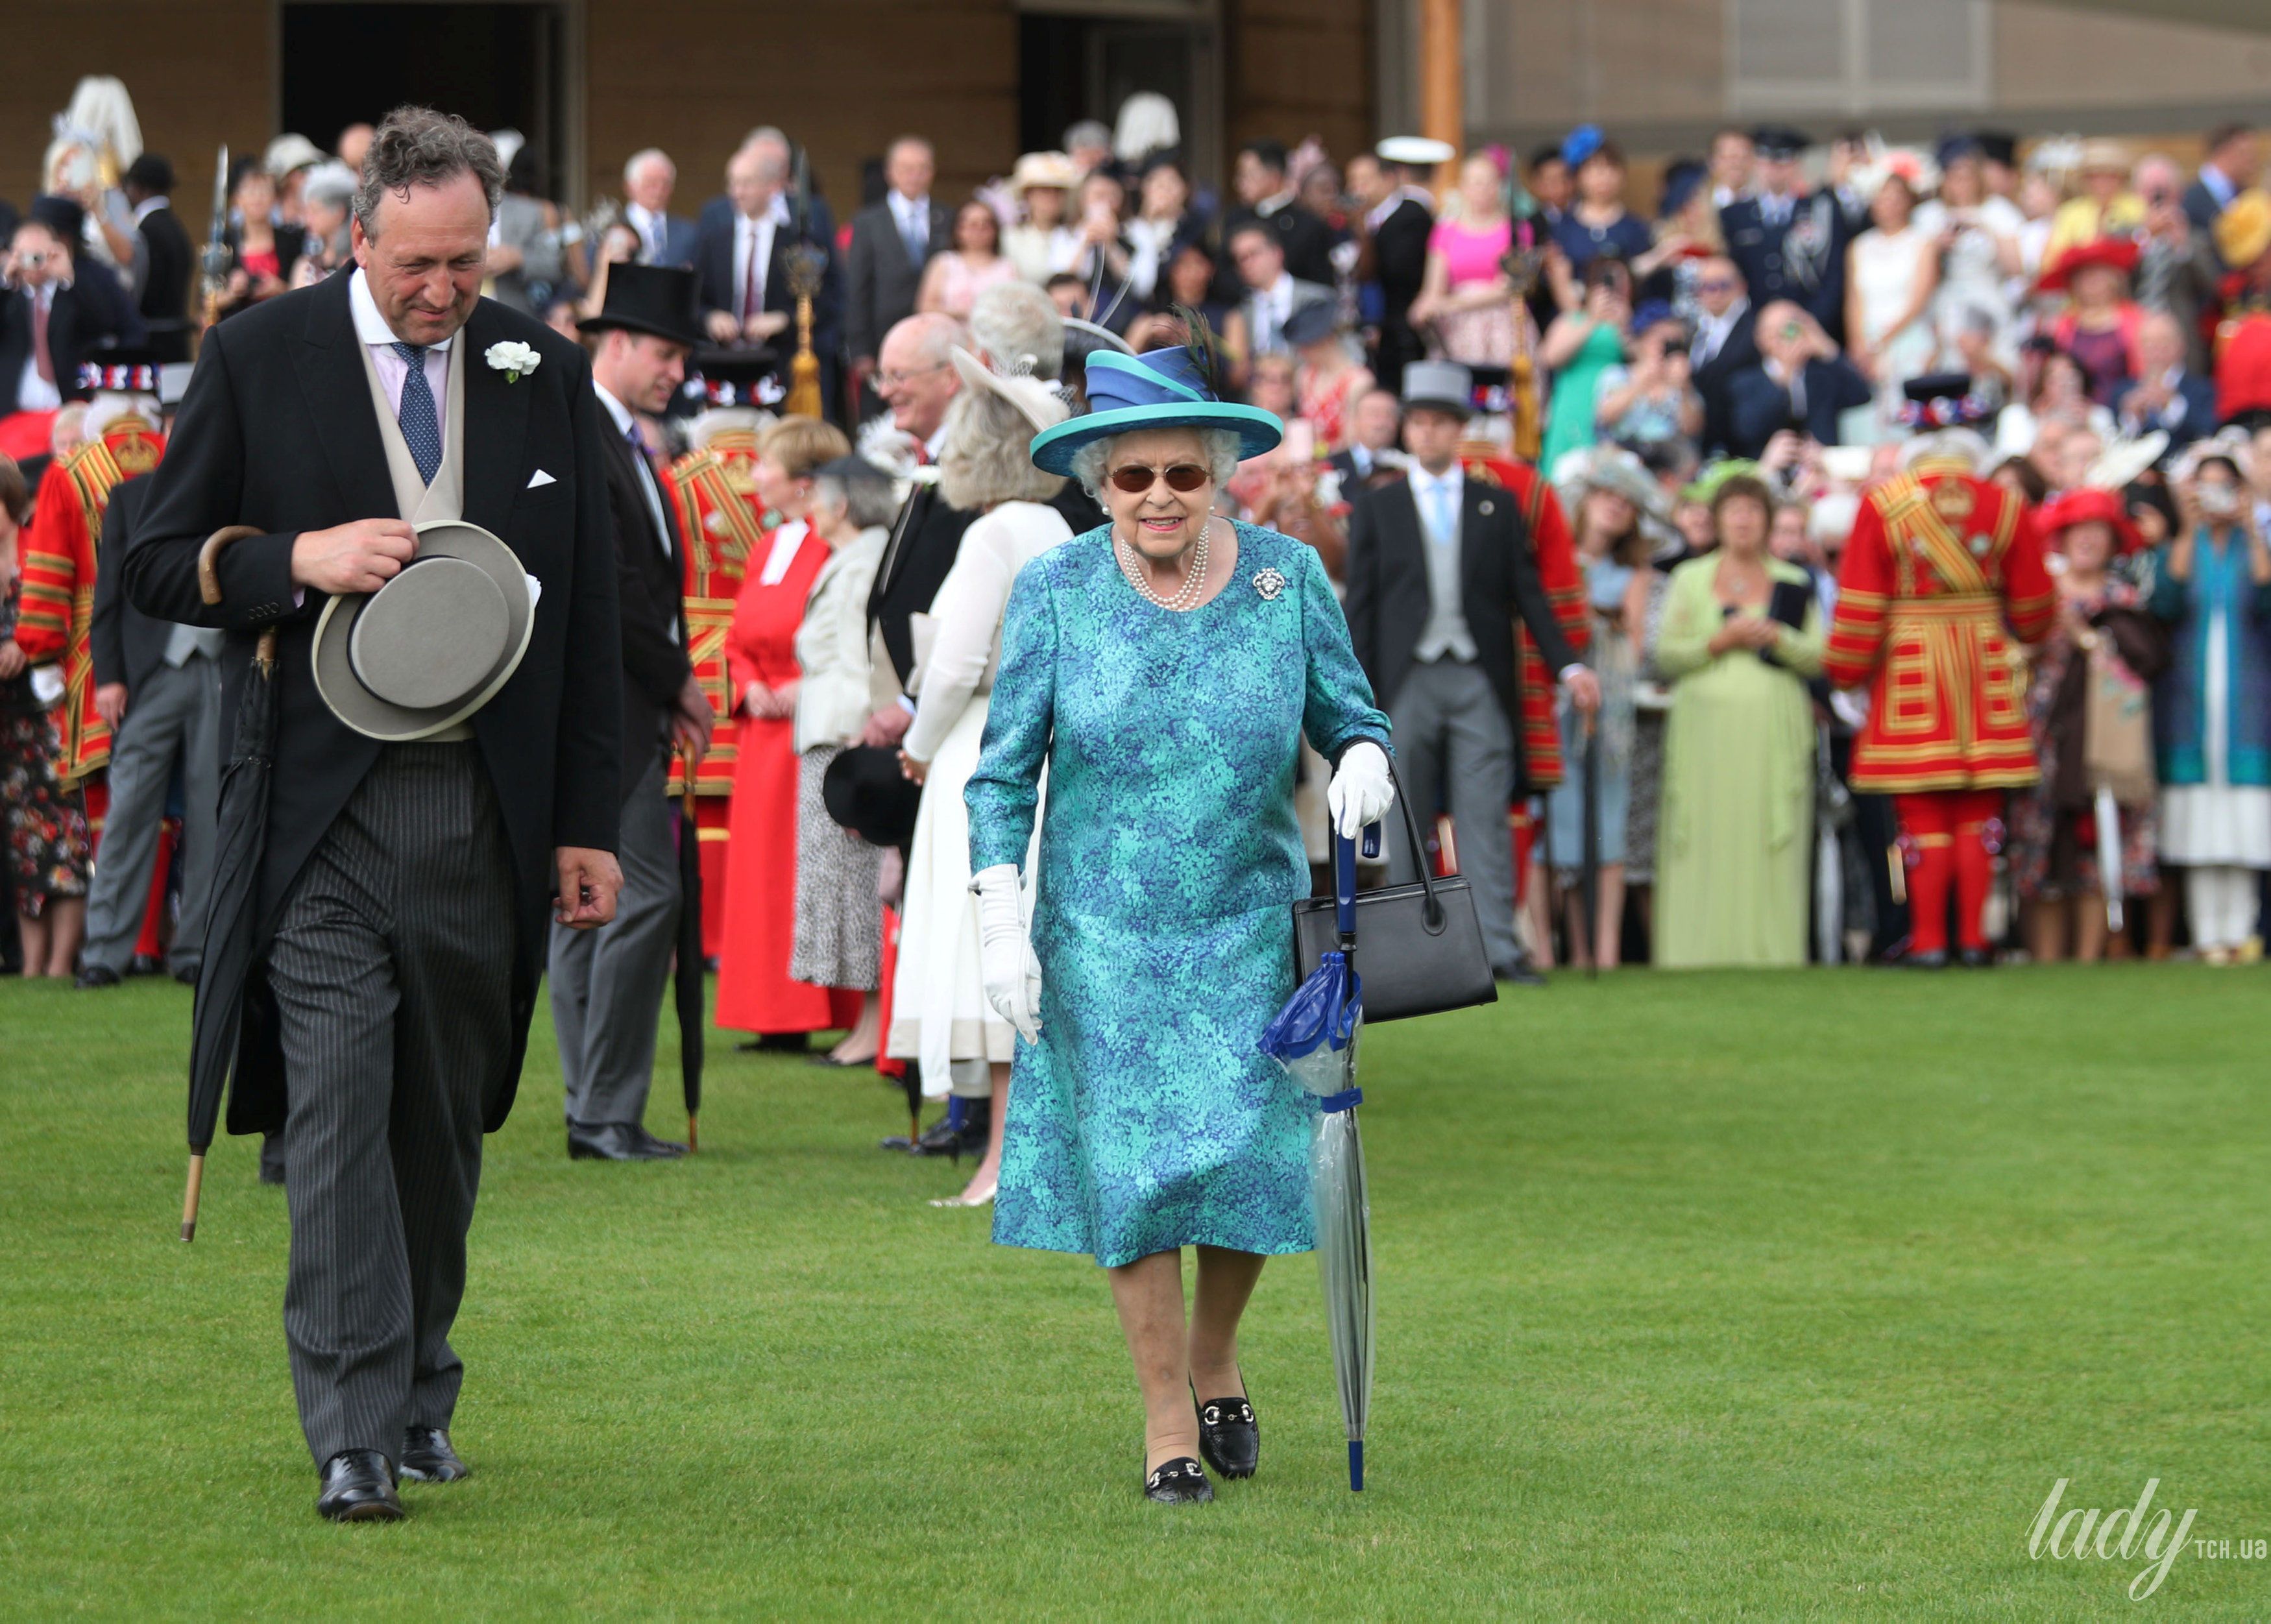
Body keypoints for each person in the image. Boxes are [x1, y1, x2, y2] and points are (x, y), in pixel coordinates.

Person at [121, 106, 625, 1521]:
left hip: (483, 805)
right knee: (339, 1105)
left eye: (468, 262)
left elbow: (586, 617)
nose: (445, 292)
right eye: (418, 264)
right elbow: (156, 561)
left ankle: (416, 1390)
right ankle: (348, 1427)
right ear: (357, 236)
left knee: (441, 1120)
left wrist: (588, 821)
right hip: (316, 807)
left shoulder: (543, 368)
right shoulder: (257, 354)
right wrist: (296, 557)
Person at [965, 331, 1394, 1505]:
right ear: (1100, 481)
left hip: (1248, 924)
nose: (1159, 497)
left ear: (1221, 475)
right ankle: (1166, 1412)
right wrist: (1000, 913)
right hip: (1100, 934)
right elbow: (1001, 774)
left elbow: (1355, 713)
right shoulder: (1055, 588)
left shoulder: (1285, 577)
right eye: (1133, 476)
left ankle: (1217, 1352)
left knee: (1250, 1162)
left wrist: (1362, 755)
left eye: (1183, 475)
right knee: (1138, 1172)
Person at [1345, 361, 1599, 980]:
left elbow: (1528, 594)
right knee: (1404, 821)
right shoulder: (1378, 507)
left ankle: (1497, 951)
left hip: (1479, 678)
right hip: (1404, 682)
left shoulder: (1498, 504)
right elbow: (1362, 608)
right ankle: (1412, 955)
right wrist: (1355, 695)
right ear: (1407, 430)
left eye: (1439, 423)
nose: (1428, 434)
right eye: (1419, 423)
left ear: (1459, 429)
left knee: (1485, 819)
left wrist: (1568, 667)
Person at [889, 346, 1071, 1203]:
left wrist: (919, 745)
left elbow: (956, 660)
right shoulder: (1058, 529)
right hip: (1041, 748)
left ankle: (1003, 1161)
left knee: (985, 947)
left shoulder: (996, 531)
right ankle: (1020, 1156)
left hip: (982, 743)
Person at [551, 264, 712, 1162]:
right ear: (615, 343)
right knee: (642, 894)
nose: (674, 370)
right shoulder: (590, 436)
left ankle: (593, 1103)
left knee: (588, 901)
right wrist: (679, 681)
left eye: (682, 355)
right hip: (608, 706)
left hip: (618, 703)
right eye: (664, 351)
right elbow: (611, 588)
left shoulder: (623, 441)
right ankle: (604, 1108)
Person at [1821, 381, 2056, 967]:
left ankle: (1927, 942)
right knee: (1979, 811)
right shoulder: (2003, 503)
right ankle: (1974, 939)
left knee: (1921, 812)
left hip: (1912, 666)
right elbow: (2033, 611)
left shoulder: (1884, 504)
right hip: (1982, 664)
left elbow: (1861, 605)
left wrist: (1846, 671)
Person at [714, 416, 862, 1047]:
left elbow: (844, 628)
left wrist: (803, 685)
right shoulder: (764, 546)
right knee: (760, 875)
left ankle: (814, 1010)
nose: (755, 476)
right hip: (762, 732)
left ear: (803, 482)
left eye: (766, 465)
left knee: (810, 869)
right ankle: (769, 1012)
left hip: (811, 723)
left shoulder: (836, 546)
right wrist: (747, 683)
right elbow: (740, 632)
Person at [75, 365, 219, 990]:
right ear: (165, 427)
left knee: (216, 818)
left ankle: (198, 952)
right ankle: (103, 952)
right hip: (151, 676)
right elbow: (107, 599)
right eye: (181, 421)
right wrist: (109, 677)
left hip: (222, 670)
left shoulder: (244, 494)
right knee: (130, 810)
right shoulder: (132, 498)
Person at [1651, 473, 1825, 966]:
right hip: (1704, 730)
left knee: (1769, 834)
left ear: (1768, 520)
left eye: (1753, 510)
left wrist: (1777, 638)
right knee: (1704, 832)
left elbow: (1818, 657)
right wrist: (1718, 642)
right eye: (1734, 510)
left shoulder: (1793, 580)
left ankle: (1772, 950)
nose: (1744, 519)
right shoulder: (1689, 577)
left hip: (1773, 728)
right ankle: (1694, 949)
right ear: (1718, 519)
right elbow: (1665, 655)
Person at [2011, 488, 2167, 962]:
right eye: (2079, 529)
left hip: (2103, 736)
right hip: (2042, 732)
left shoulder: (2125, 599)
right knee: (2039, 844)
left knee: (2096, 845)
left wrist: (2091, 639)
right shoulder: (2040, 593)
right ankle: (2045, 960)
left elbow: (2143, 664)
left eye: (2098, 531)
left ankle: (2087, 959)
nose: (2088, 540)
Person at [661, 356, 770, 963]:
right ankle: (745, 937)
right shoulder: (791, 475)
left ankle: (695, 938)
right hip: (775, 660)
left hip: (702, 655)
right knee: (756, 807)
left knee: (697, 804)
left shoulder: (680, 478)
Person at [790, 455, 895, 1061]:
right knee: (844, 882)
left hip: (847, 735)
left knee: (859, 882)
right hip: (830, 730)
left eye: (819, 497)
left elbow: (862, 657)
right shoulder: (852, 557)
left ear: (843, 504)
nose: (810, 509)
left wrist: (862, 744)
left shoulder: (864, 560)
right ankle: (866, 1025)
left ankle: (874, 1028)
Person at [2148, 442, 2271, 963]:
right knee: (2198, 808)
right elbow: (2166, 603)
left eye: (2228, 485)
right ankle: (2205, 932)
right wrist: (2187, 527)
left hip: (2248, 699)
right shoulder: (2182, 546)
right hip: (2189, 698)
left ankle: (2242, 931)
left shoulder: (2255, 545)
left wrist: (2251, 528)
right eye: (2208, 486)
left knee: (2246, 810)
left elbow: (2267, 602)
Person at [1539, 445, 1660, 967]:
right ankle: (1553, 948)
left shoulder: (1633, 573)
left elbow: (1633, 646)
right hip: (1553, 705)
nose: (1615, 507)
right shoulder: (1552, 557)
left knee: (1606, 825)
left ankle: (1604, 952)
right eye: (1606, 496)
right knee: (1551, 827)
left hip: (1608, 715)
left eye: (1626, 502)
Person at [1, 455, 89, 976]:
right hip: (10, 731)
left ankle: (60, 963)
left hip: (50, 721)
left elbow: (62, 614)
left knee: (65, 842)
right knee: (23, 849)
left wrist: (22, 645)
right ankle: (32, 966)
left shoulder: (39, 549)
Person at [0, 217, 141, 416]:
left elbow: (102, 325)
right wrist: (6, 279)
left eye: (39, 256)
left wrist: (69, 278)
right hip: (14, 415)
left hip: (68, 411)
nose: (33, 265)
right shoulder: (8, 298)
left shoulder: (73, 294)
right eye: (25, 256)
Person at [1720, 126, 1849, 341]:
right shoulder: (1734, 215)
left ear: (1796, 165)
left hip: (1813, 326)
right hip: (1755, 330)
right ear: (1757, 163)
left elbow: (1834, 275)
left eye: (1783, 162)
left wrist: (1810, 324)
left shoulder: (1820, 211)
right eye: (1767, 161)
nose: (1774, 169)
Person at [847, 138, 951, 398]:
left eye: (922, 168)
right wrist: (861, 350)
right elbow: (858, 287)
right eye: (906, 168)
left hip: (935, 340)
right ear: (890, 172)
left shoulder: (948, 217)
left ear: (932, 172)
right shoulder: (868, 221)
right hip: (883, 339)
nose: (914, 176)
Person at [1845, 162, 1940, 428]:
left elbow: (1919, 299)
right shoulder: (1859, 246)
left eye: (1896, 198)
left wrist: (1881, 342)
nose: (1888, 205)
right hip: (1869, 340)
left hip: (1908, 337)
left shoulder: (1922, 242)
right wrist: (1860, 344)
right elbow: (1854, 299)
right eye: (1882, 198)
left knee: (1907, 411)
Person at [1408, 152, 1519, 374]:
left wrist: (1453, 304)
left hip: (1502, 324)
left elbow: (1512, 285)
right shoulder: (1446, 231)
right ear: (1463, 187)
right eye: (1476, 183)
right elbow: (1433, 287)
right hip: (1456, 328)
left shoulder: (1516, 229)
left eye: (1490, 183)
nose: (1484, 190)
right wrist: (1423, 307)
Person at [1725, 300, 1873, 457]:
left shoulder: (1822, 376)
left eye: (1792, 329)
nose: (1787, 337)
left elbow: (1862, 395)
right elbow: (1748, 430)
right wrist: (1785, 377)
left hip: (1821, 466)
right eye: (1776, 332)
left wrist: (1828, 350)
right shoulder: (1744, 382)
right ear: (1761, 338)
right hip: (1770, 467)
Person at [1355, 138, 1443, 393]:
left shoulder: (1410, 214)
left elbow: (1398, 271)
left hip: (1403, 327)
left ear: (1396, 175)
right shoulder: (1389, 215)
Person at [1538, 254, 1633, 472]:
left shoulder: (1629, 322)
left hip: (1613, 403)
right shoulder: (1573, 319)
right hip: (1575, 399)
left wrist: (1624, 328)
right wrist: (1593, 319)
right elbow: (1549, 357)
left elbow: (1639, 360)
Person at [1546, 131, 1654, 294]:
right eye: (1593, 169)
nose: (1603, 177)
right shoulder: (1562, 228)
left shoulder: (1636, 228)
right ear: (1578, 177)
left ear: (1622, 174)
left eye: (1610, 168)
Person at [1222, 138, 1337, 289]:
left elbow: (1320, 286)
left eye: (1247, 174)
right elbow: (1223, 274)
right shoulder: (1235, 219)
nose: (1239, 183)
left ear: (1273, 176)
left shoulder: (1309, 225)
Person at [2042, 240, 2142, 407]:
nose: (2092, 282)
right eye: (2084, 275)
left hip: (2123, 406)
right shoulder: (2059, 326)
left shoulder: (2137, 319)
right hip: (2074, 408)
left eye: (2097, 274)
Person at [1594, 302, 1702, 452]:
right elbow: (1605, 416)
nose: (1666, 348)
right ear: (1641, 340)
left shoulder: (1683, 381)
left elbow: (1693, 429)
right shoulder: (1617, 375)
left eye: (1675, 341)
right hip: (1625, 455)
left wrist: (1683, 388)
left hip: (1670, 458)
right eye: (1661, 340)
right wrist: (1641, 383)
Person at [121, 155, 193, 361]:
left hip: (151, 348)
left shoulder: (146, 231)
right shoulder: (176, 227)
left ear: (137, 187)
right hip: (177, 342)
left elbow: (143, 291)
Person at [1228, 222, 1330, 369]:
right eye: (1241, 258)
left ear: (1277, 253)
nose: (1247, 263)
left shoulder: (1318, 299)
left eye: (1254, 254)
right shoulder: (1241, 313)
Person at [484, 143, 567, 317]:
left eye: (490, 166)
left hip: (514, 315)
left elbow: (556, 266)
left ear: (502, 171)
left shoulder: (531, 212)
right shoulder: (448, 211)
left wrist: (518, 258)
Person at [2111, 311, 2214, 447]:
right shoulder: (2123, 390)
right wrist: (2133, 416)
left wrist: (2172, 405)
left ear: (2181, 346)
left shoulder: (2201, 389)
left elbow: (2207, 432)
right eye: (2149, 344)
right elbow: (2113, 439)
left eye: (2164, 342)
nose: (2156, 351)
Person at [1688, 257, 1758, 457]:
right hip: (1703, 440)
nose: (1715, 293)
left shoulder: (1756, 328)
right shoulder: (1695, 329)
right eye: (1707, 287)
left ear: (1742, 287)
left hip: (1740, 442)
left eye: (1723, 285)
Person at [1287, 300, 1372, 453]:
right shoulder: (1305, 376)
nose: (1302, 353)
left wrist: (1318, 451)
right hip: (1305, 463)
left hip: (1340, 464)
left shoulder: (1358, 381)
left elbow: (1351, 441)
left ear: (1325, 341)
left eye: (1306, 346)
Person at [217, 160, 301, 315]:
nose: (257, 199)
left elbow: (305, 292)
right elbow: (207, 301)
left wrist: (280, 288)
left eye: (264, 191)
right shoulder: (225, 242)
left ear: (275, 198)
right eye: (250, 192)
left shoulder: (291, 241)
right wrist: (232, 292)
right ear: (237, 200)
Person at [918, 199, 1019, 321]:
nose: (979, 231)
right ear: (958, 229)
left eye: (986, 225)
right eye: (973, 225)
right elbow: (925, 307)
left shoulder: (1008, 267)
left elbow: (1016, 310)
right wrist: (962, 313)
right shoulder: (943, 262)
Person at [1002, 151, 1080, 285]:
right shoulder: (1010, 237)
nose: (1052, 197)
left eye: (1059, 191)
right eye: (1044, 190)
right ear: (1028, 195)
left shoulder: (1076, 235)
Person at [620, 148, 696, 267]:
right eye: (651, 183)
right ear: (630, 186)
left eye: (666, 184)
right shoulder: (609, 231)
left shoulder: (689, 232)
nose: (659, 191)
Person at [2183, 123, 2259, 241]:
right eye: (2245, 153)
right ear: (2225, 152)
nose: (2252, 162)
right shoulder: (2190, 198)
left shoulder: (2246, 194)